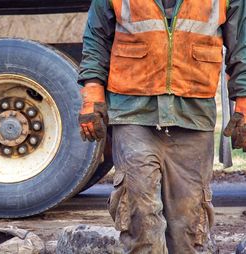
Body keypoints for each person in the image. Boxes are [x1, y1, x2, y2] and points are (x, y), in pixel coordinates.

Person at [78, 0, 246, 253]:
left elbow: (241, 47)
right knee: (140, 217)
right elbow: (96, 38)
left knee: (187, 226)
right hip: (134, 113)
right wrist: (92, 93)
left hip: (193, 117)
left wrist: (243, 104)